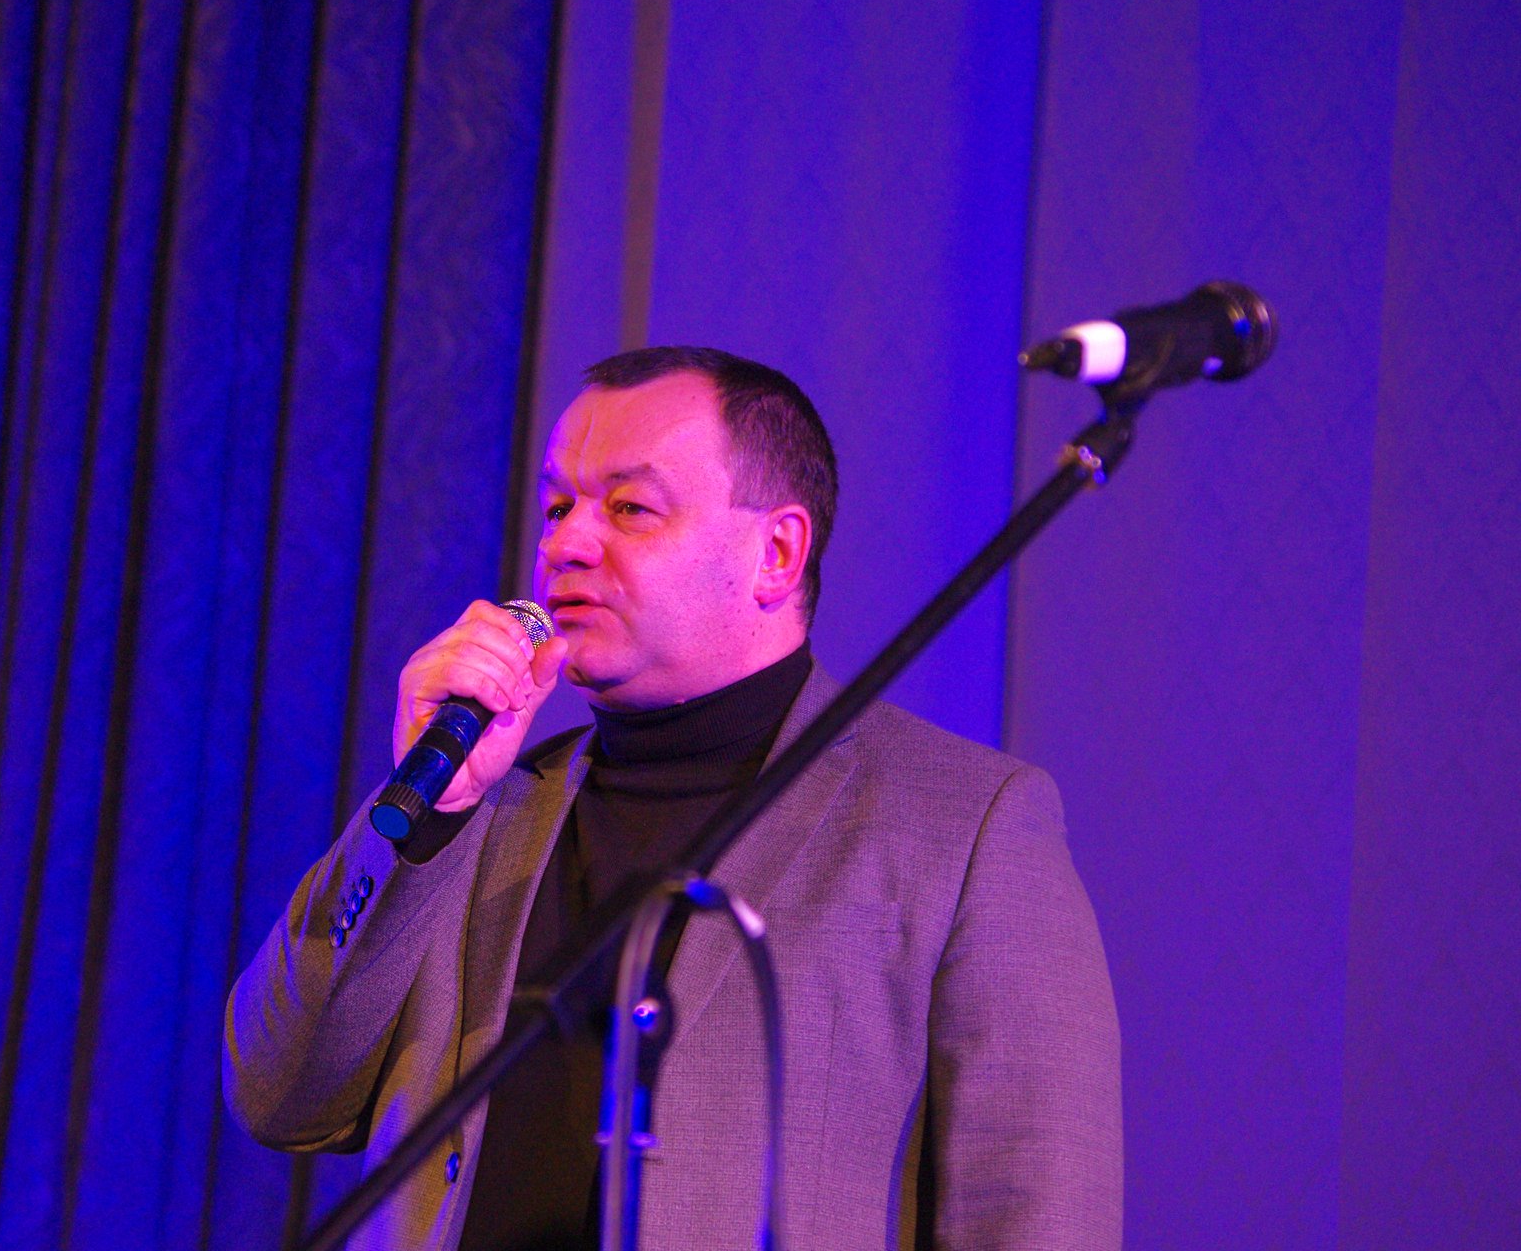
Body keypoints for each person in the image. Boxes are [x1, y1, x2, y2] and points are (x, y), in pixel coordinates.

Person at [225, 348, 1122, 1250]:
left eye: (629, 508)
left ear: (776, 554)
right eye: (557, 507)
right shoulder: (484, 810)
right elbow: (281, 1097)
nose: (565, 544)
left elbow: (1038, 1213)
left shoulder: (966, 824)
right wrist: (428, 818)